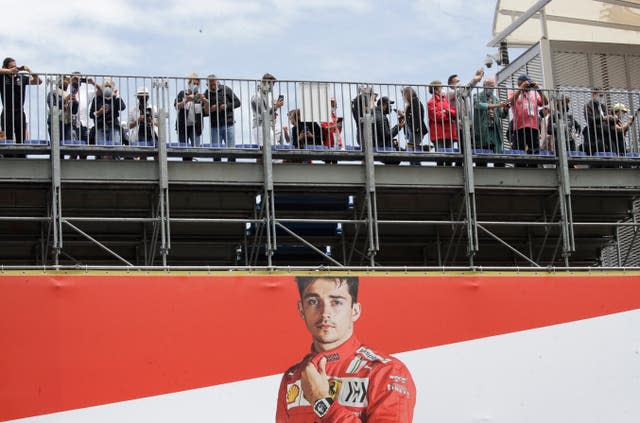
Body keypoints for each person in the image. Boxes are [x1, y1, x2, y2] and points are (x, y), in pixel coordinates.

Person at [276, 276, 416, 422]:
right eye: (313, 302)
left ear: (355, 311)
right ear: (301, 309)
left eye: (336, 302)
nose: (325, 313)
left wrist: (322, 402)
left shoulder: (386, 372)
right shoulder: (293, 376)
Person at [0, 57, 42, 147]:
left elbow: (39, 81)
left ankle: (22, 156)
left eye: (16, 67)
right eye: (11, 67)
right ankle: (8, 158)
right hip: (7, 112)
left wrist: (29, 70)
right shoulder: (1, 77)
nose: (15, 69)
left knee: (21, 139)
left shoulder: (21, 77)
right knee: (7, 139)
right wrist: (7, 72)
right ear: (5, 67)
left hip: (19, 112)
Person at [508, 74, 548, 157]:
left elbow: (545, 102)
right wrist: (520, 88)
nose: (529, 86)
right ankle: (520, 168)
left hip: (534, 127)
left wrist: (538, 90)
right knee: (519, 152)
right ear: (520, 83)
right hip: (519, 127)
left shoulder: (534, 94)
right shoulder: (513, 92)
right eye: (527, 83)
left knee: (534, 152)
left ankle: (534, 167)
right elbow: (510, 102)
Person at [203, 74, 241, 161]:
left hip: (228, 124)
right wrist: (211, 109)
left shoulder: (225, 89)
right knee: (216, 152)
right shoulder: (206, 94)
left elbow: (238, 102)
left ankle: (231, 169)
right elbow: (204, 112)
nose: (212, 85)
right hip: (215, 126)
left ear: (217, 82)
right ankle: (217, 171)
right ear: (207, 84)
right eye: (210, 84)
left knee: (231, 150)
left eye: (214, 83)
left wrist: (227, 106)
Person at [427, 80, 457, 165]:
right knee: (440, 157)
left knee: (450, 157)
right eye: (441, 87)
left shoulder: (446, 101)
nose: (443, 89)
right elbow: (436, 117)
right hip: (438, 134)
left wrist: (446, 112)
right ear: (436, 89)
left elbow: (454, 113)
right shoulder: (431, 102)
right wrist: (448, 113)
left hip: (449, 133)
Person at [89, 78, 126, 146]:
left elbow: (122, 107)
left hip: (114, 126)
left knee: (114, 146)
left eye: (109, 86)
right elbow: (91, 115)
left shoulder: (115, 99)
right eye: (106, 86)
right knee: (101, 147)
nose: (107, 88)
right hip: (100, 127)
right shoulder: (97, 99)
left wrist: (117, 95)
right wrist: (99, 112)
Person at [251, 73, 284, 146]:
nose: (272, 87)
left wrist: (273, 112)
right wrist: (276, 107)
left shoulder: (266, 96)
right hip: (260, 126)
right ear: (266, 83)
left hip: (266, 126)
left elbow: (267, 112)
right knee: (265, 151)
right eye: (272, 85)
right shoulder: (257, 96)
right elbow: (263, 113)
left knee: (272, 149)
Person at [583, 89, 616, 155]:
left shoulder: (604, 107)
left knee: (613, 150)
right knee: (600, 151)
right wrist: (603, 118)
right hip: (595, 134)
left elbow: (609, 117)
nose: (601, 98)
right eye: (600, 95)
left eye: (602, 96)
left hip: (606, 133)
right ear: (593, 95)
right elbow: (590, 120)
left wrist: (613, 118)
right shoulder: (588, 106)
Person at [46, 75, 78, 143]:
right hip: (55, 122)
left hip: (67, 123)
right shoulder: (53, 93)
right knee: (55, 145)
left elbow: (74, 111)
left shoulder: (69, 94)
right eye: (64, 80)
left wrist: (75, 102)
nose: (66, 82)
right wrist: (65, 100)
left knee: (68, 145)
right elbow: (53, 106)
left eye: (67, 81)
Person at [68, 71, 97, 144]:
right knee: (73, 152)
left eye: (79, 79)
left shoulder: (86, 92)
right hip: (69, 124)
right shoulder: (66, 90)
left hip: (84, 124)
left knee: (84, 153)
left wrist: (93, 83)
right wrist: (71, 81)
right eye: (75, 78)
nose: (77, 81)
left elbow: (101, 92)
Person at [401, 87, 428, 154]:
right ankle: (415, 163)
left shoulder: (414, 101)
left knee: (412, 151)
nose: (403, 97)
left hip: (416, 131)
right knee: (412, 150)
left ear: (407, 94)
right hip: (413, 131)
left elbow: (417, 116)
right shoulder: (411, 103)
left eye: (403, 95)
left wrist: (416, 129)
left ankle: (416, 164)